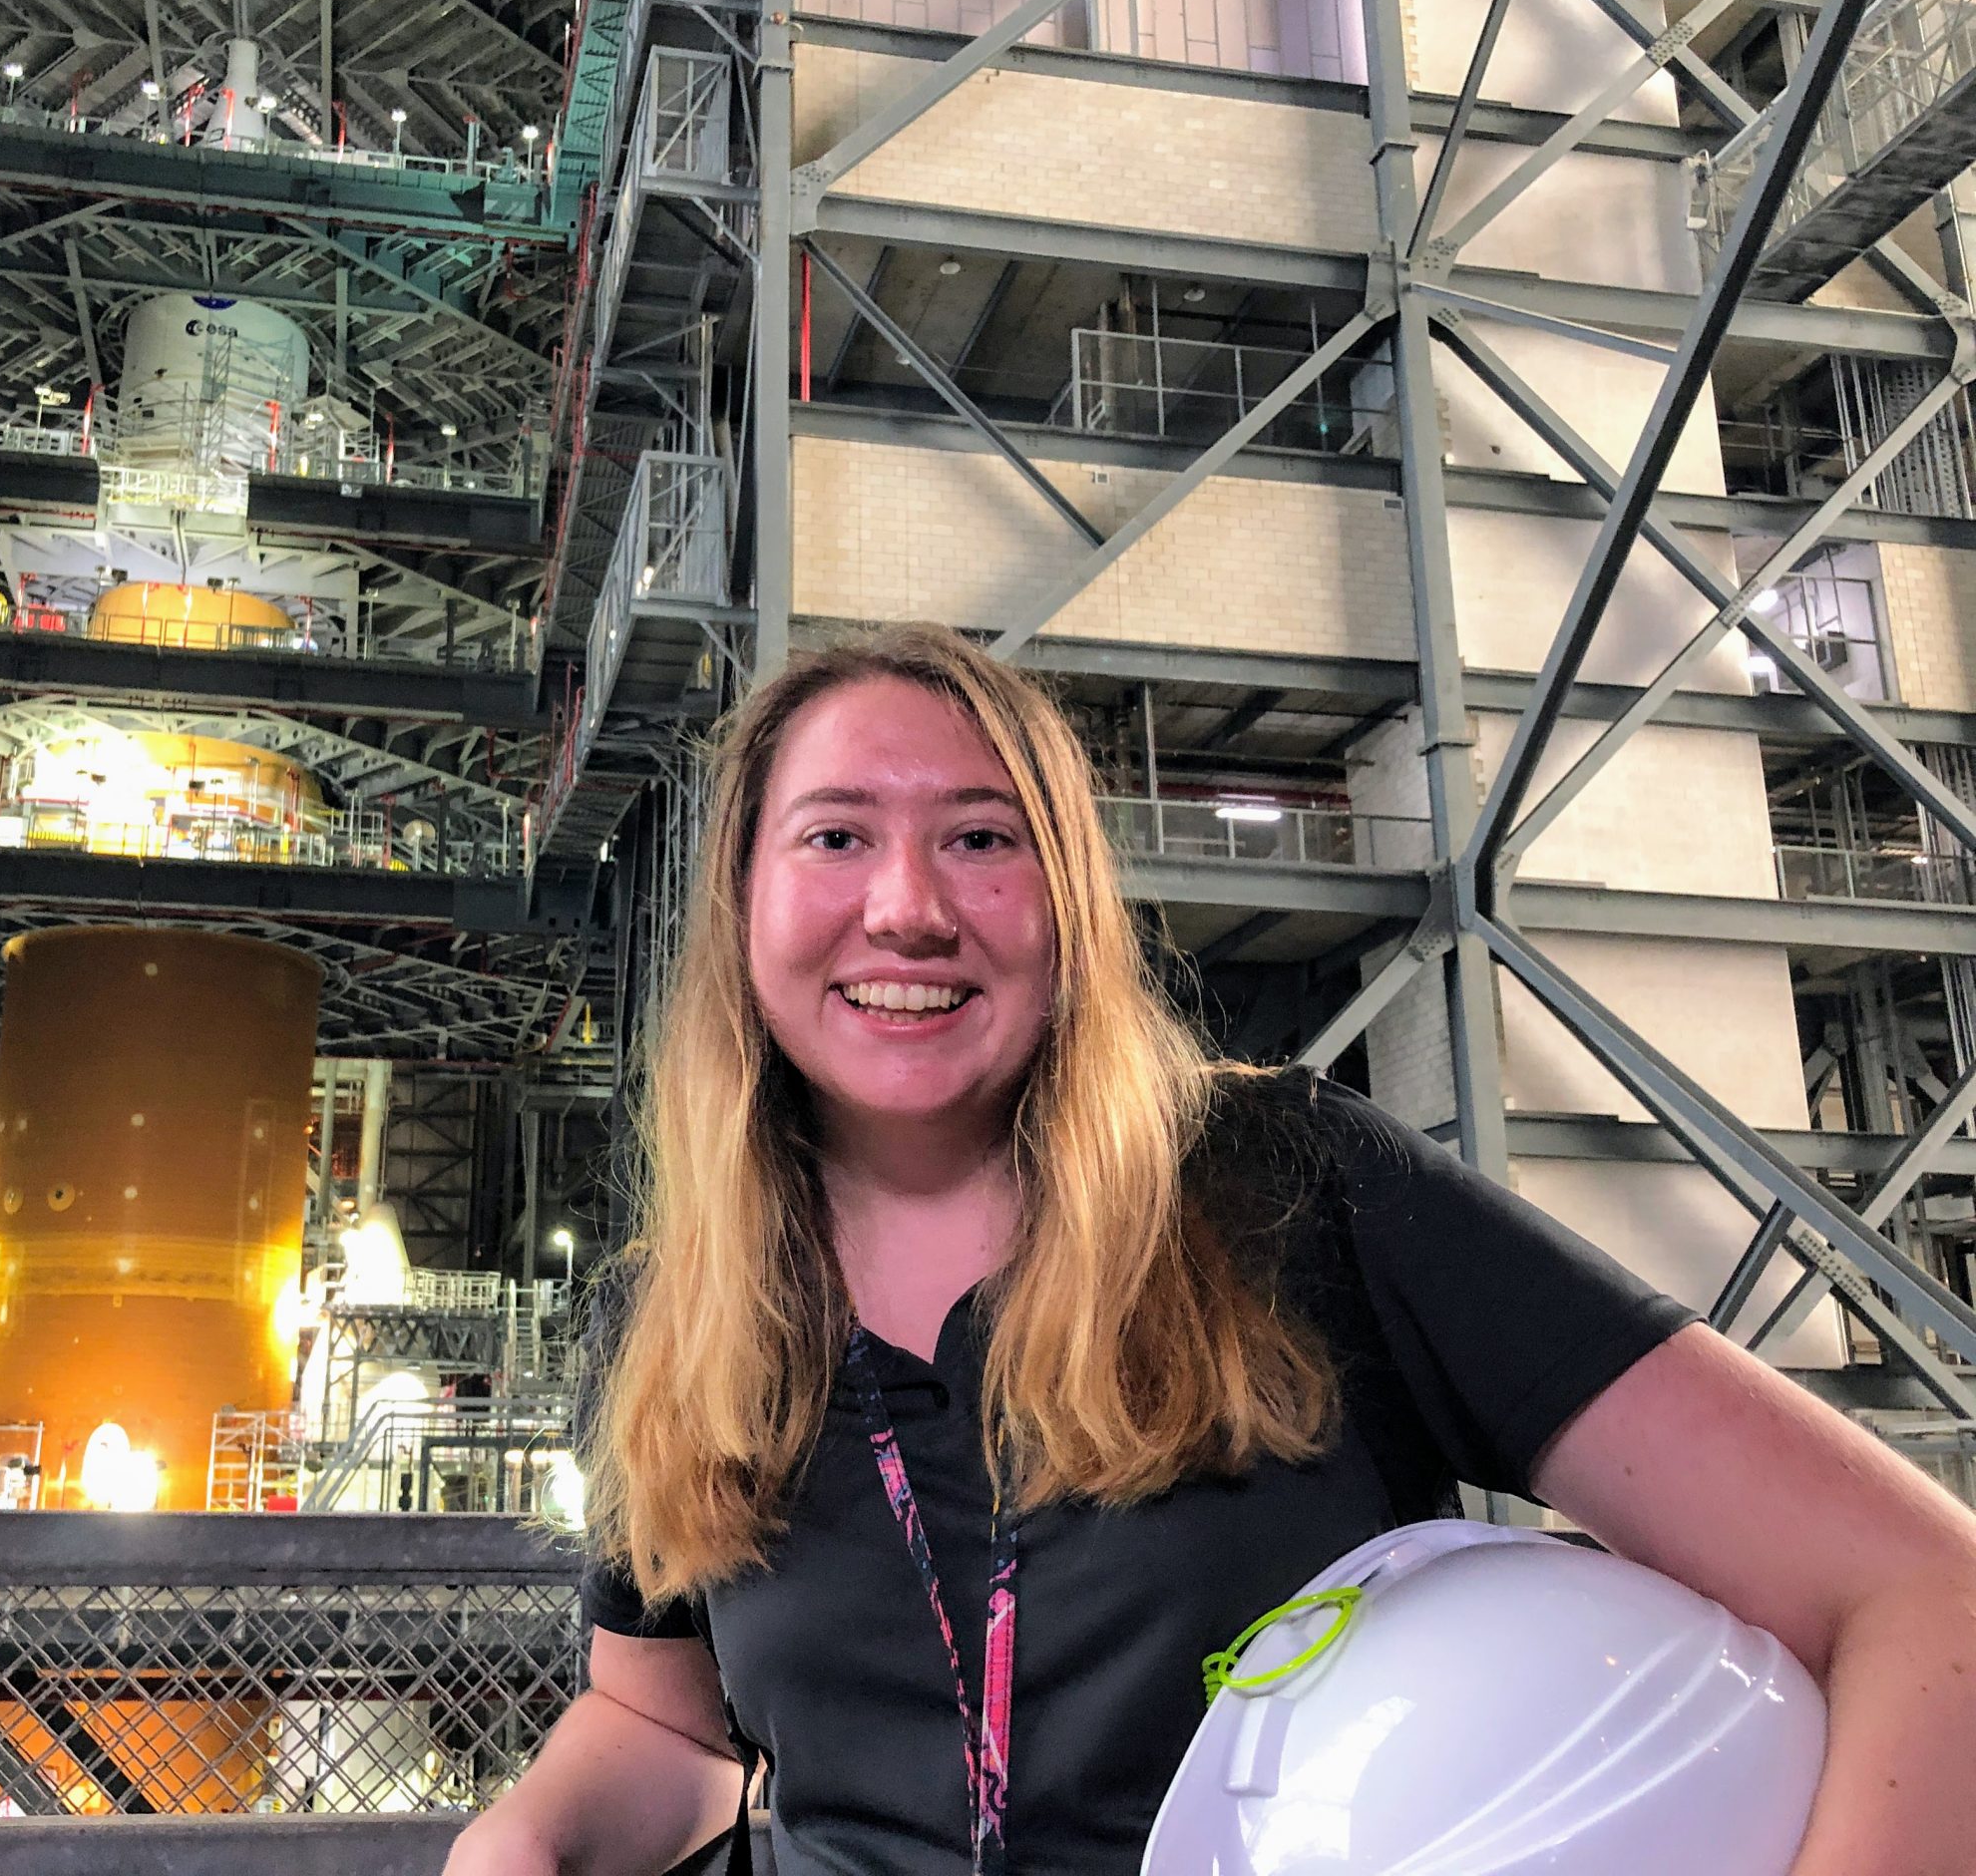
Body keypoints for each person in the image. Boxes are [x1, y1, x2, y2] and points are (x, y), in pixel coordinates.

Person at [447, 623, 1976, 1876]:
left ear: (1070, 904)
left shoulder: (1294, 1193)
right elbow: (668, 1732)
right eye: (835, 836)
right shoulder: (674, 1305)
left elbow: (1926, 1594)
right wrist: (520, 1841)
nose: (904, 909)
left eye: (982, 838)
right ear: (744, 902)